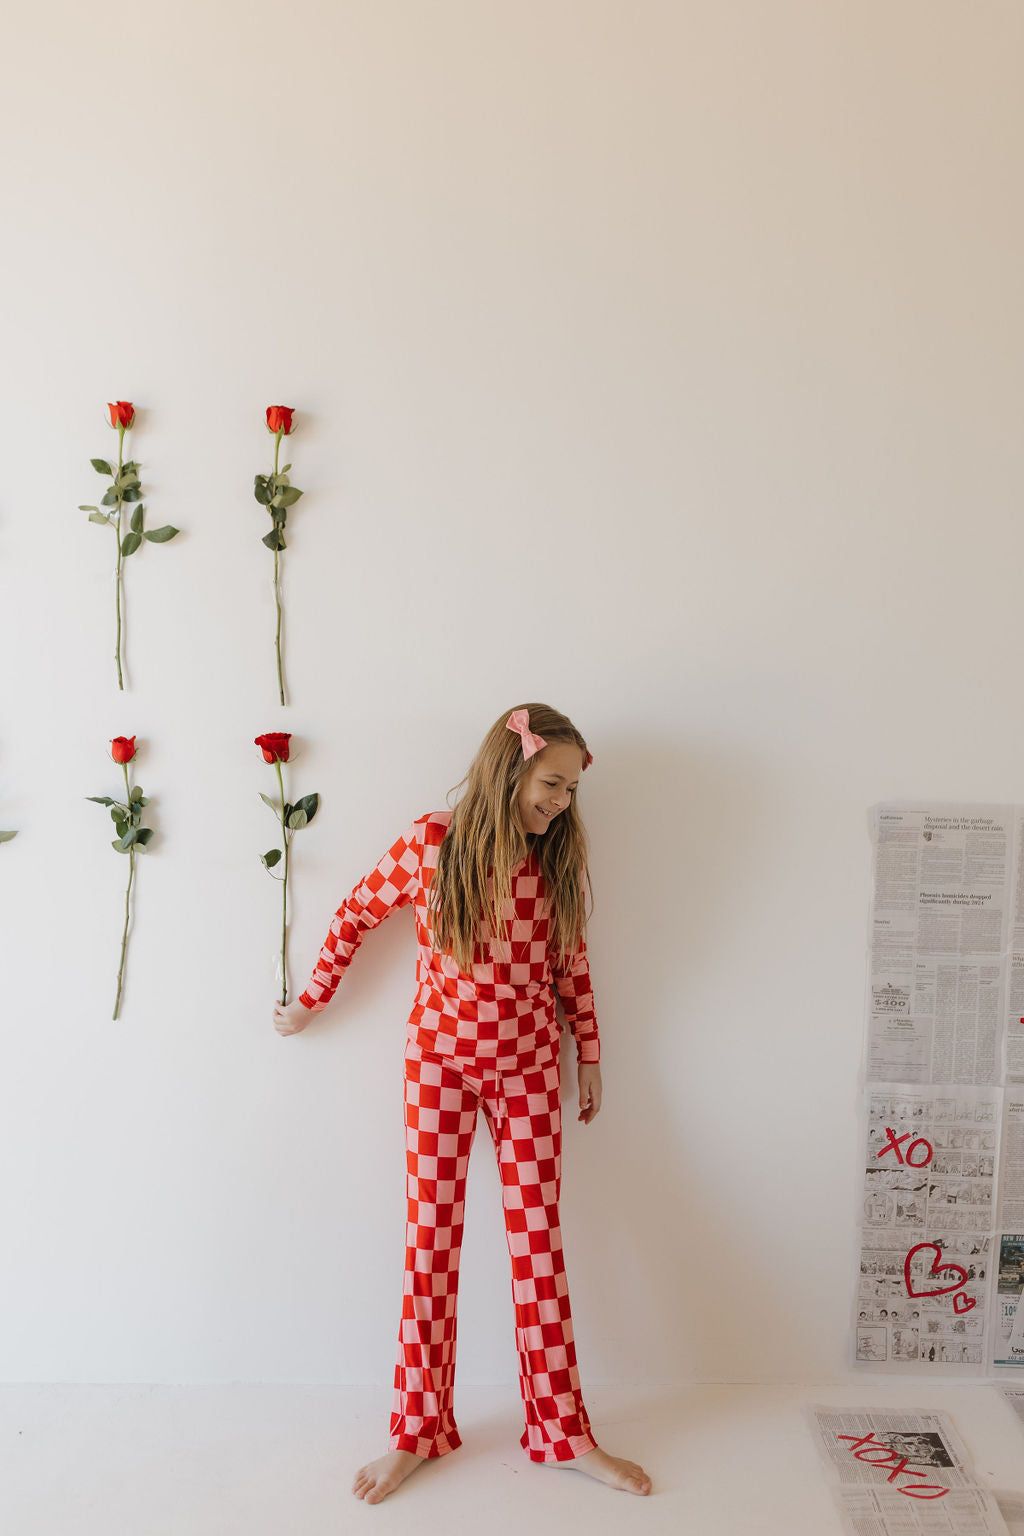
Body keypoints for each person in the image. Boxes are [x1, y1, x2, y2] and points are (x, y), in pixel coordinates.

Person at [273, 704, 652, 1504]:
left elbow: (571, 965)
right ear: (509, 767)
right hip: (438, 1070)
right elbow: (354, 914)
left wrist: (590, 1055)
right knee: (429, 1247)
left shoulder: (556, 862)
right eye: (553, 783)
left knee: (538, 1250)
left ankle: (564, 1432)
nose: (561, 801)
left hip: (527, 1074)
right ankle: (417, 1431)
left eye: (572, 789)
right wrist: (312, 1002)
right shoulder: (430, 844)